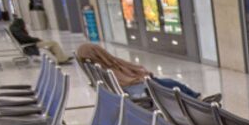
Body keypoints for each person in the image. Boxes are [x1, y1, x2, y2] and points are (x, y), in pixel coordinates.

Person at [75, 44, 220, 102]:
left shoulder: (99, 67)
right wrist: (142, 77)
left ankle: (197, 99)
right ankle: (197, 100)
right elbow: (127, 81)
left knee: (170, 83)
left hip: (137, 86)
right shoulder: (107, 68)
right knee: (170, 84)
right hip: (140, 88)